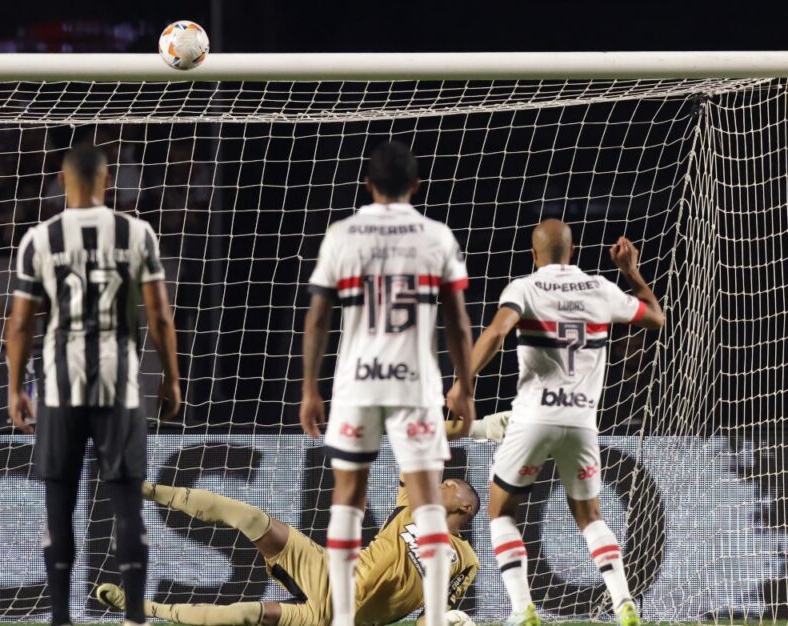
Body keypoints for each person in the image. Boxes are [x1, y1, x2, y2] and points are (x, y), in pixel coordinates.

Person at [447, 219, 665, 626]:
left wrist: (463, 383)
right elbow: (656, 317)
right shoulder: (601, 288)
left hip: (533, 419)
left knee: (501, 512)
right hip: (581, 422)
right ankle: (623, 604)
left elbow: (496, 332)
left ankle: (522, 609)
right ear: (573, 251)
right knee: (591, 517)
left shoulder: (524, 287)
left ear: (533, 254)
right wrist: (631, 273)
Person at [299, 141, 477, 626]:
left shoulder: (344, 234)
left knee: (348, 496)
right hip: (414, 384)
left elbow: (317, 319)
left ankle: (340, 621)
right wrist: (463, 385)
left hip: (357, 382)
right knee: (425, 499)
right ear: (416, 186)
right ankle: (437, 617)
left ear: (367, 184)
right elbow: (457, 324)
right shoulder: (436, 237)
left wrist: (310, 388)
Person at [5, 143, 182, 626]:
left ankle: (60, 617)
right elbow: (160, 315)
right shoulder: (136, 232)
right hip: (118, 381)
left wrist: (15, 387)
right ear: (108, 182)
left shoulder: (40, 238)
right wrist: (171, 377)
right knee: (126, 502)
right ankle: (136, 619)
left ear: (63, 182)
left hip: (60, 384)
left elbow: (20, 323)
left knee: (59, 503)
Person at [93, 474, 483, 626]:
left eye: (452, 485)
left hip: (335, 617)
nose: (444, 484)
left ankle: (143, 610)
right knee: (250, 517)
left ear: (465, 507)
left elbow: (432, 616)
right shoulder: (415, 504)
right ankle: (144, 488)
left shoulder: (467, 560)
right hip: (329, 568)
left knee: (246, 614)